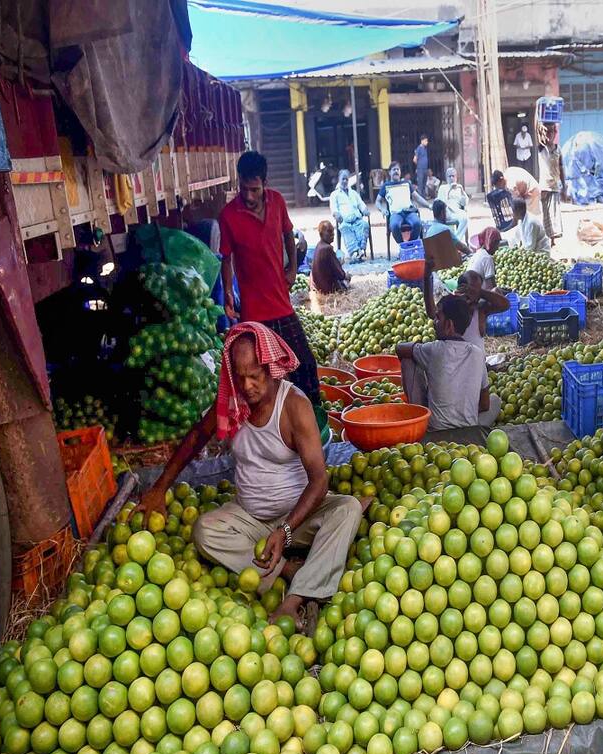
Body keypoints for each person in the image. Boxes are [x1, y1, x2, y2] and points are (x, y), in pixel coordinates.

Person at [137, 323, 365, 630]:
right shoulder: (233, 403)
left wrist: (284, 529)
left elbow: (319, 480)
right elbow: (195, 439)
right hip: (250, 520)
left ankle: (296, 598)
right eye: (240, 376)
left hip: (296, 520)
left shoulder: (294, 406)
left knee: (347, 508)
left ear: (271, 368)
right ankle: (287, 570)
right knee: (205, 531)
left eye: (255, 375)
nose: (247, 386)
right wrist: (159, 488)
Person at [219, 150, 320, 404]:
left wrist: (293, 268)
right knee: (264, 376)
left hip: (281, 303)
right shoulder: (228, 215)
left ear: (265, 183)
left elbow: (288, 234)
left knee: (305, 365)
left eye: (254, 189)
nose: (249, 195)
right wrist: (229, 293)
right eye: (244, 188)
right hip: (254, 313)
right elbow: (226, 258)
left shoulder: (277, 202)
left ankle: (314, 417)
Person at [396, 295, 501, 431]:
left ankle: (418, 415)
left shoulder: (435, 349)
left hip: (436, 431)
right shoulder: (478, 353)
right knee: (495, 400)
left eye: (438, 317)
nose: (434, 322)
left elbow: (399, 348)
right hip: (470, 430)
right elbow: (485, 404)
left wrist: (418, 346)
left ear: (449, 325)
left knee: (407, 359)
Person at [421, 260, 509, 350]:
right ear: (461, 288)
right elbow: (432, 313)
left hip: (475, 362)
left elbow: (505, 305)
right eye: (471, 290)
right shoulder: (450, 305)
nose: (475, 295)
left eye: (478, 291)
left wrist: (481, 292)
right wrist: (427, 277)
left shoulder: (480, 310)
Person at [377, 161, 430, 246]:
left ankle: (410, 245)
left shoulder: (406, 183)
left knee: (417, 223)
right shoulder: (386, 186)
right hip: (396, 214)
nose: (396, 171)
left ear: (400, 172)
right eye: (394, 169)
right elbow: (377, 201)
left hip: (409, 212)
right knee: (394, 226)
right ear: (389, 172)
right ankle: (403, 246)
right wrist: (382, 209)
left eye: (398, 169)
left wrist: (429, 205)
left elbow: (417, 198)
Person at [328, 169, 369, 261]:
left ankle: (361, 250)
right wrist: (336, 214)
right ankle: (355, 252)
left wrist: (365, 210)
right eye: (343, 179)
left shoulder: (354, 193)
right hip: (344, 221)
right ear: (339, 180)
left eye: (346, 179)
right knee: (345, 228)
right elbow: (333, 208)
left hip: (357, 220)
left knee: (364, 225)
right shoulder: (334, 194)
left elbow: (361, 204)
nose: (345, 181)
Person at [536, 121, 564, 243]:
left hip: (555, 186)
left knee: (554, 214)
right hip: (544, 187)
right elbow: (537, 130)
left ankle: (552, 239)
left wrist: (564, 187)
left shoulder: (558, 150)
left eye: (552, 131)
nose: (549, 134)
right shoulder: (541, 149)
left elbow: (562, 168)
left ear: (555, 133)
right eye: (547, 131)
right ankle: (546, 239)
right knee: (545, 214)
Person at [310, 221, 350, 295]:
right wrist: (346, 276)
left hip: (319, 286)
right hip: (327, 289)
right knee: (347, 281)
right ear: (321, 234)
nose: (333, 234)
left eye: (332, 231)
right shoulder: (327, 249)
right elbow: (340, 274)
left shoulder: (319, 245)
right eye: (329, 232)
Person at [435, 167, 469, 243]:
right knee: (462, 215)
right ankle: (456, 241)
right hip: (447, 212)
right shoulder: (443, 188)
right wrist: (450, 189)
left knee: (465, 218)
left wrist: (462, 191)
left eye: (453, 176)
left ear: (456, 177)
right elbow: (441, 203)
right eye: (449, 176)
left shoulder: (459, 188)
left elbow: (464, 203)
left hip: (457, 212)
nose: (451, 178)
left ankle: (455, 240)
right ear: (446, 178)